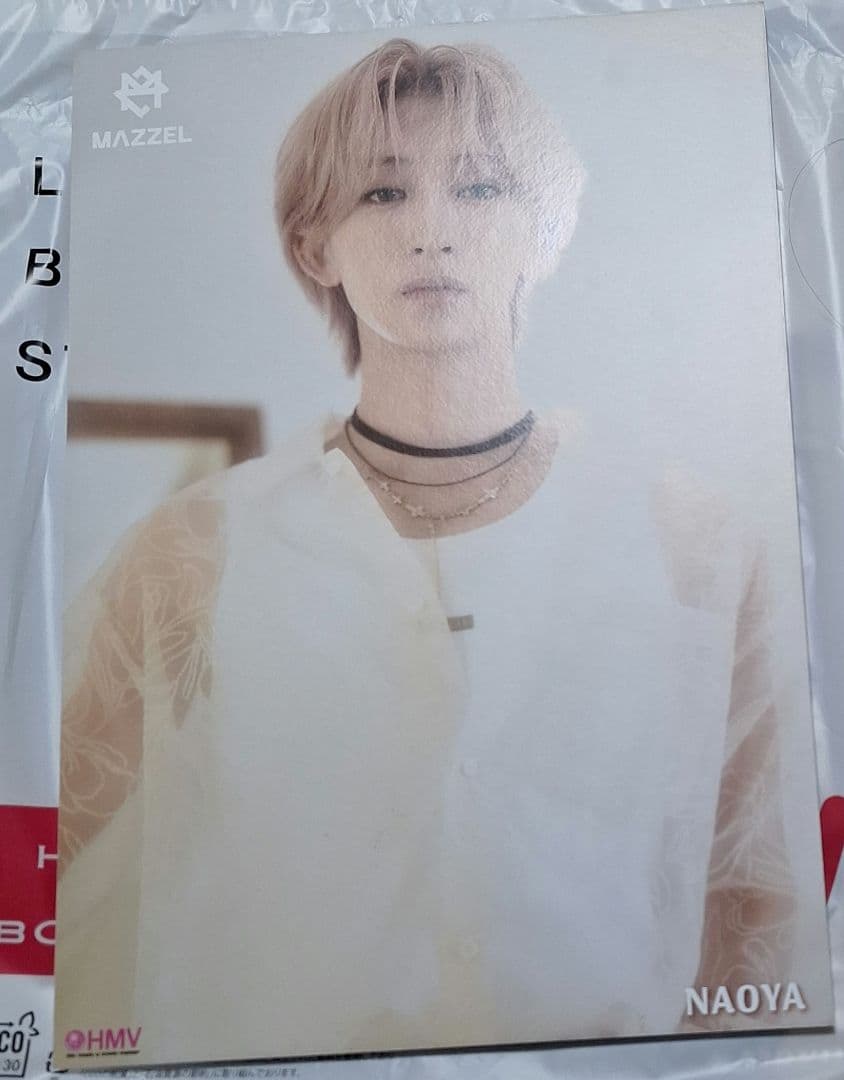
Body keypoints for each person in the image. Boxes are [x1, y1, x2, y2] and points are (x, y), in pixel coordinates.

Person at [54, 37, 797, 1066]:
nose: (433, 231)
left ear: (542, 229)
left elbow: (757, 892)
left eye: (480, 187)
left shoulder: (691, 542)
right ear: (315, 245)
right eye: (383, 192)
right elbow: (58, 853)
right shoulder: (196, 550)